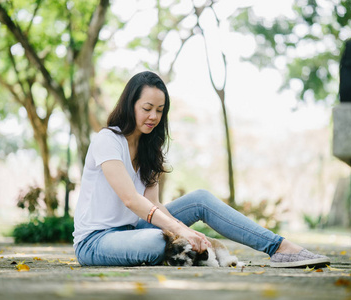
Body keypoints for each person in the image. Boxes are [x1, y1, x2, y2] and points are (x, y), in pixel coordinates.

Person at [73, 71, 330, 268]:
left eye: (160, 111)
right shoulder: (107, 140)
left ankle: (279, 247)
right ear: (130, 105)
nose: (153, 117)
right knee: (156, 242)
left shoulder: (149, 148)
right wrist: (181, 230)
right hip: (95, 242)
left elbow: (154, 205)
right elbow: (131, 200)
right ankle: (186, 249)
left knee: (201, 200)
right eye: (147, 109)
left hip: (131, 231)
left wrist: (178, 228)